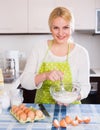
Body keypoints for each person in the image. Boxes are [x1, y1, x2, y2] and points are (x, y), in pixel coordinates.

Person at [20, 7, 91, 105]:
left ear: (72, 28)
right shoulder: (39, 48)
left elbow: (85, 87)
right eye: (56, 28)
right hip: (43, 110)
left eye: (65, 27)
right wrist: (45, 75)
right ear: (50, 28)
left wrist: (72, 97)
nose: (61, 33)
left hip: (71, 110)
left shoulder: (81, 53)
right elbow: (24, 81)